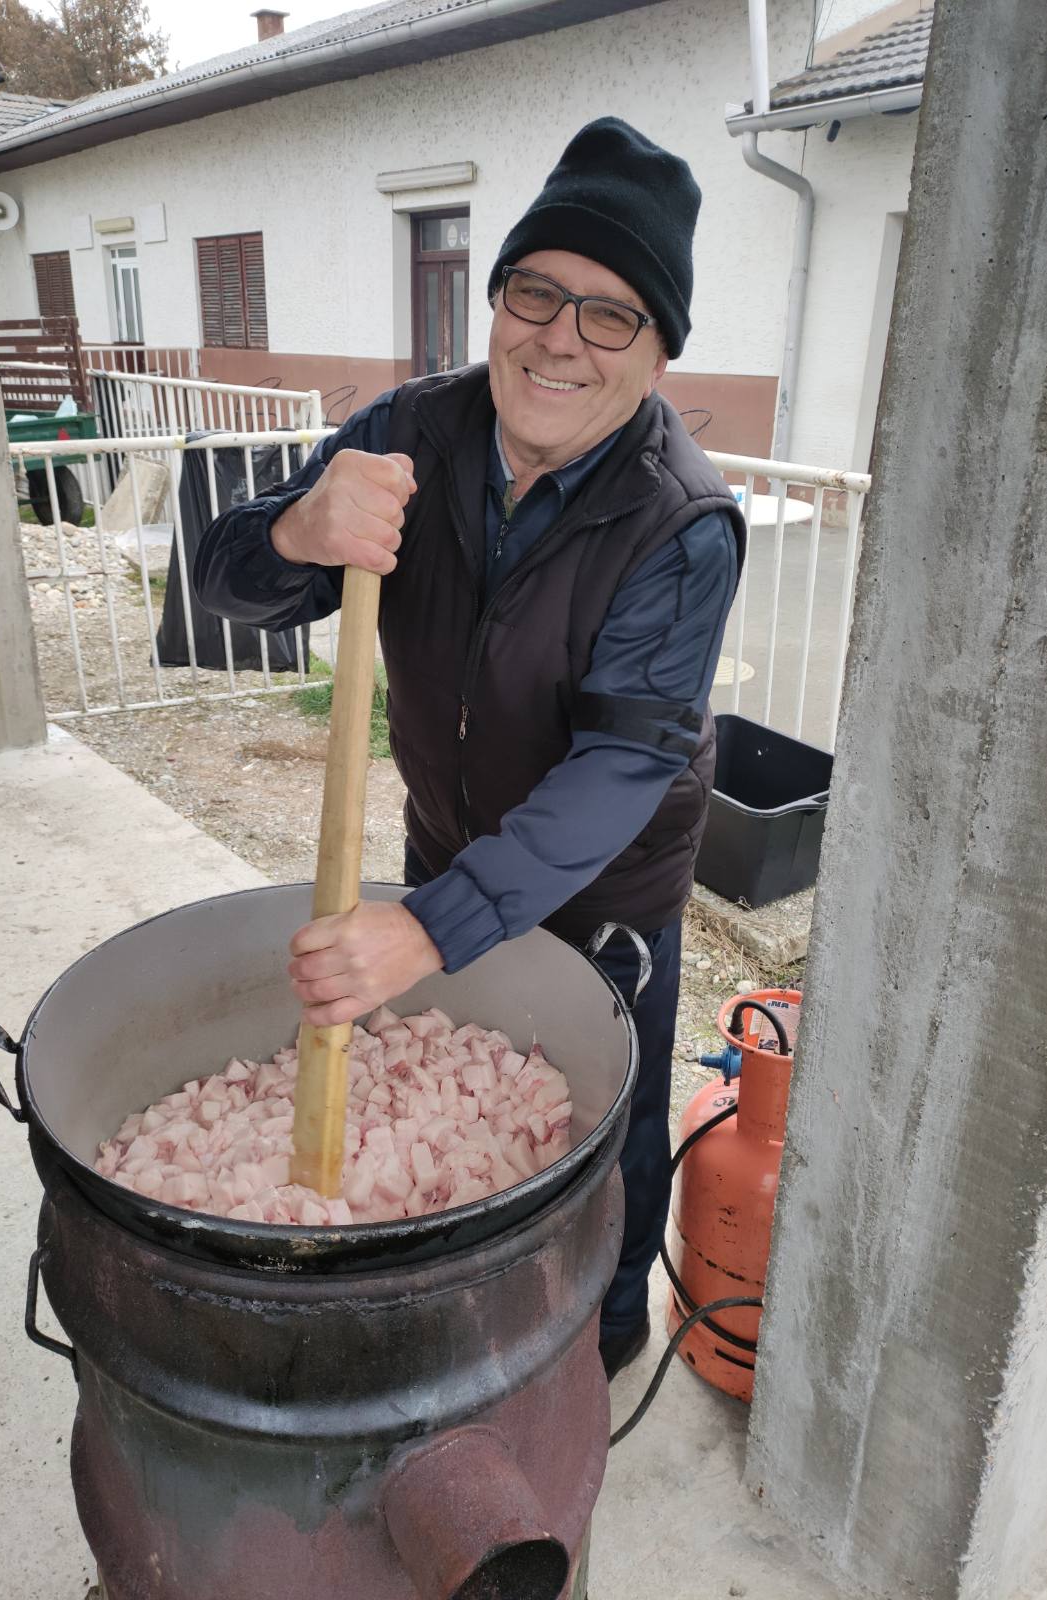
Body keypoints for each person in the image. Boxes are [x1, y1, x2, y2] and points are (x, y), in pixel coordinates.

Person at [194, 117, 746, 1380]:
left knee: (606, 1123)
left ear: (658, 352)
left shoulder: (681, 520)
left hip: (605, 890)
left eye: (611, 315)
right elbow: (221, 588)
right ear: (495, 303)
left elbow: (623, 766)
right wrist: (294, 531)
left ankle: (590, 1352)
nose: (559, 336)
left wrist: (430, 928)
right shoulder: (409, 433)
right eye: (535, 291)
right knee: (454, 1099)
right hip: (440, 843)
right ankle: (443, 1325)